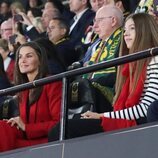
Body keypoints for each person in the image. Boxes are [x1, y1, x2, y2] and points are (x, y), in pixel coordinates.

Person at [48, 13, 158, 141]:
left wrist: (101, 116)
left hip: (138, 123)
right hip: (125, 119)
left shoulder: (155, 59)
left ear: (145, 31)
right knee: (62, 127)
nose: (126, 34)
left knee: (63, 130)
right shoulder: (130, 65)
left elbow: (146, 108)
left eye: (132, 28)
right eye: (125, 30)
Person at [0, 41, 62, 152]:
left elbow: (58, 124)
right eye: (20, 57)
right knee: (3, 126)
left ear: (40, 61)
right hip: (29, 138)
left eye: (29, 56)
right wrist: (16, 123)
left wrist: (26, 127)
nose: (22, 61)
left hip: (46, 140)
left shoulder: (52, 83)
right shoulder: (23, 89)